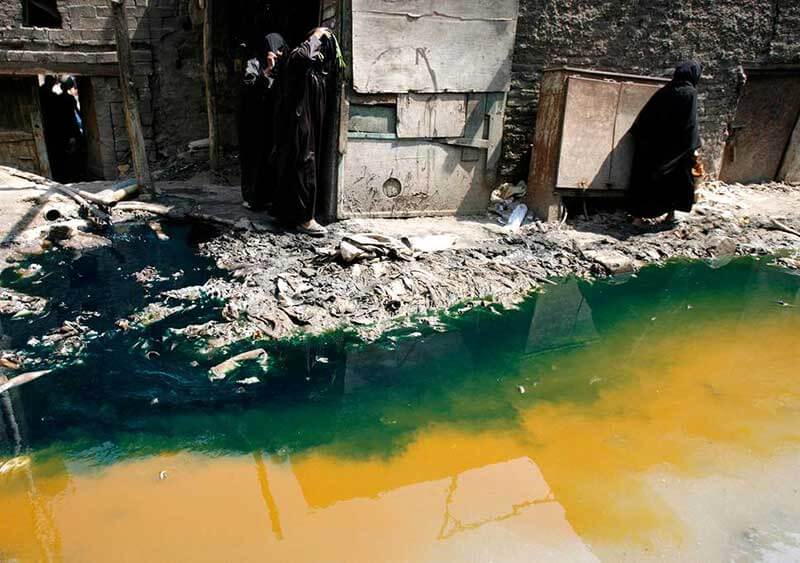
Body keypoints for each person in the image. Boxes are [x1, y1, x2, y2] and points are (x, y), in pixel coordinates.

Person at [271, 27, 338, 237]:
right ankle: (305, 220)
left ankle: (289, 215)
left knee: (297, 167)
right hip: (299, 125)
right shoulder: (296, 59)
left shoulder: (313, 70)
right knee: (304, 167)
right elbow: (303, 56)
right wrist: (318, 34)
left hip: (302, 124)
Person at [628, 60, 702, 225]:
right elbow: (690, 123)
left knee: (646, 181)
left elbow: (645, 119)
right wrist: (694, 146)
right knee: (677, 181)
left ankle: (638, 218)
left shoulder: (665, 91)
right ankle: (670, 214)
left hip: (652, 147)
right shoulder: (690, 93)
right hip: (676, 149)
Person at [239, 32, 287, 210]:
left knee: (271, 159)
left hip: (274, 121)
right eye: (274, 49)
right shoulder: (253, 64)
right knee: (254, 159)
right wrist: (267, 70)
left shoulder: (285, 65)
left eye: (281, 49)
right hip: (253, 122)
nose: (278, 52)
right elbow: (248, 90)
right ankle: (252, 198)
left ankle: (271, 197)